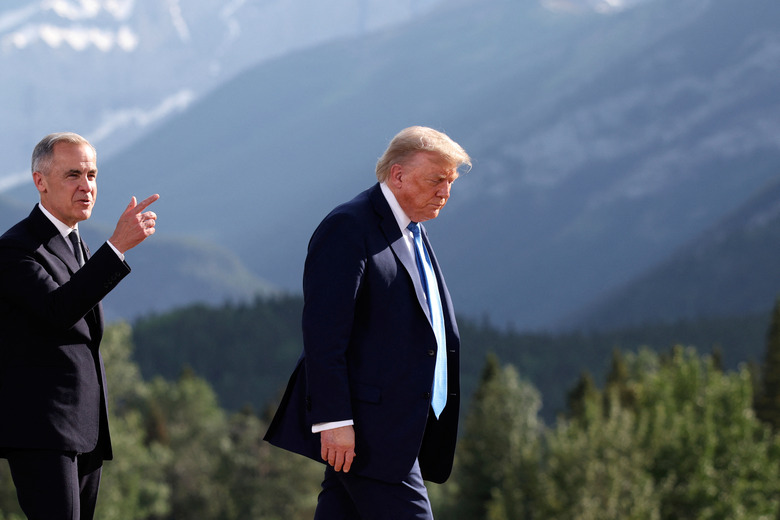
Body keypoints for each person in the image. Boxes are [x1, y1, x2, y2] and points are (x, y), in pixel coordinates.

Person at [265, 126, 471, 519]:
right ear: (398, 175)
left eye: (450, 181)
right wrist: (334, 421)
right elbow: (324, 334)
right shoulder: (349, 226)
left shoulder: (413, 230)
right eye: (436, 180)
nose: (445, 192)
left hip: (396, 428)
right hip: (370, 432)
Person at [0, 132, 159, 520]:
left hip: (84, 428)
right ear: (40, 181)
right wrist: (117, 248)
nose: (86, 186)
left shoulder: (75, 243)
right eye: (73, 175)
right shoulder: (15, 249)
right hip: (42, 430)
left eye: (92, 175)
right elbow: (57, 310)